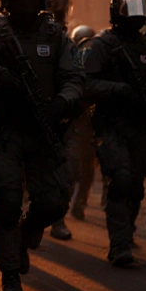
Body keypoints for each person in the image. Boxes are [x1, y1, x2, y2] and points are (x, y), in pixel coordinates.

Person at [0, 0, 83, 291]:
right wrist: (0, 77)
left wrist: (61, 102)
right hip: (6, 130)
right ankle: (10, 275)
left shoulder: (56, 36)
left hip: (44, 130)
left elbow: (74, 77)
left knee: (54, 202)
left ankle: (25, 236)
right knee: (8, 202)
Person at [83, 0, 146, 266]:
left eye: (141, 7)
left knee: (136, 185)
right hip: (111, 125)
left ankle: (128, 232)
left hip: (142, 126)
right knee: (120, 179)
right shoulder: (102, 45)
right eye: (131, 7)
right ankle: (119, 245)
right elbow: (85, 83)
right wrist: (117, 90)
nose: (137, 14)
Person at [44, 0, 76, 241]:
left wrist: (66, 99)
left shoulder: (67, 40)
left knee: (67, 170)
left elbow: (77, 76)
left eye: (62, 9)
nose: (60, 14)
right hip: (28, 114)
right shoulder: (24, 35)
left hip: (62, 114)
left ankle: (57, 219)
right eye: (55, 8)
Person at [65, 25, 98, 223]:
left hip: (90, 121)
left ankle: (79, 203)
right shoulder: (68, 60)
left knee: (87, 168)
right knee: (74, 167)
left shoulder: (98, 62)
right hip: (75, 120)